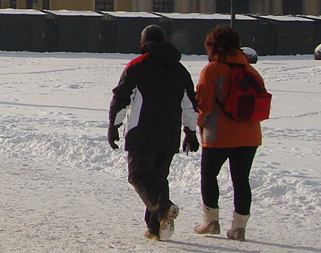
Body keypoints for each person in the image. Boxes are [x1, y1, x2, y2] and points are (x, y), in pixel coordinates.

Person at [107, 23, 199, 240]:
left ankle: (163, 208)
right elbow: (190, 104)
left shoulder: (137, 65)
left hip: (142, 132)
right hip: (169, 134)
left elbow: (121, 98)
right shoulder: (180, 69)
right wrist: (190, 131)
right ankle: (156, 227)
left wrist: (114, 125)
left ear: (143, 43)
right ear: (164, 41)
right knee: (158, 179)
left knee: (138, 176)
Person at [193, 25, 263, 240]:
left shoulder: (212, 70)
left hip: (219, 134)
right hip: (250, 134)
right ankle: (239, 227)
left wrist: (200, 125)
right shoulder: (250, 70)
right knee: (241, 179)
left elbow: (204, 104)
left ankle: (211, 221)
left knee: (209, 175)